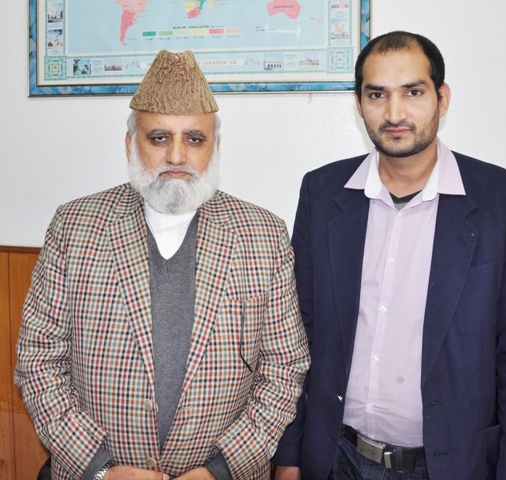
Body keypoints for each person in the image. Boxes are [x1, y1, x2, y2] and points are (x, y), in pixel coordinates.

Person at [15, 50, 310, 480]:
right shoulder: (75, 227)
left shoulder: (263, 235)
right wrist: (101, 471)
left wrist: (220, 470)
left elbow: (284, 368)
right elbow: (39, 361)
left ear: (215, 147)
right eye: (158, 138)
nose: (175, 156)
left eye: (194, 139)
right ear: (130, 144)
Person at [272, 31, 506, 480]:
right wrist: (288, 456)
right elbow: (294, 337)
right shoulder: (322, 193)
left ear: (442, 98)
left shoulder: (503, 200)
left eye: (413, 92)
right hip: (336, 458)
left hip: (451, 465)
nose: (394, 113)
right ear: (359, 103)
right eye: (377, 94)